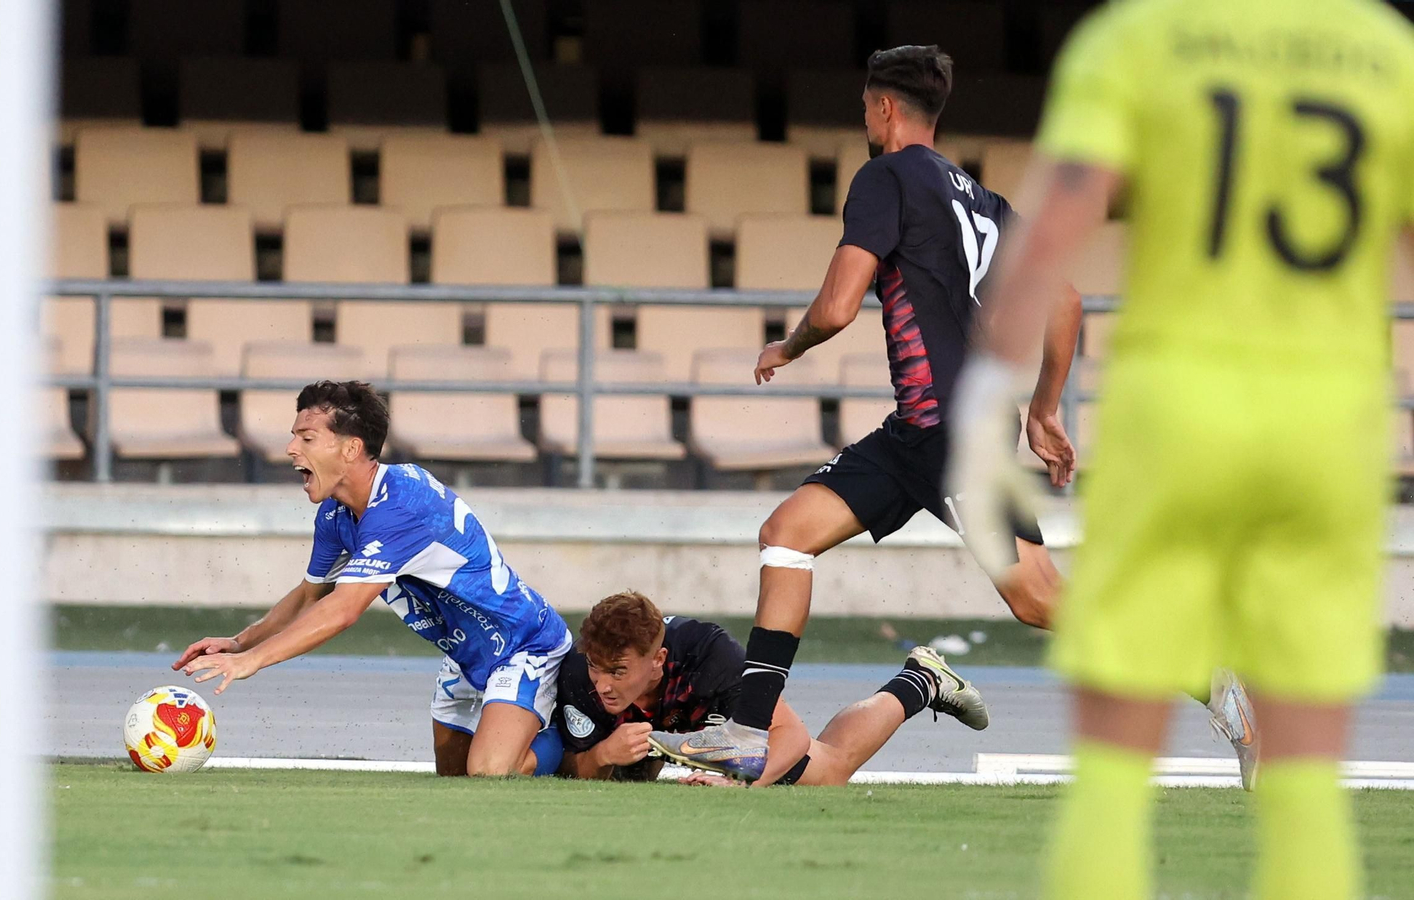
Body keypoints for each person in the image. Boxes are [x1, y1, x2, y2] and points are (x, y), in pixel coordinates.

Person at [649, 44, 1256, 786]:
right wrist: (1044, 408)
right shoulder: (986, 204)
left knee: (1041, 603)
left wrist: (789, 344)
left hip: (954, 437)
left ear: (883, 108)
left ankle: (1213, 674)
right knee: (787, 534)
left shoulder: (884, 177)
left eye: (866, 110)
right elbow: (1064, 299)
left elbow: (839, 307)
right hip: (919, 434)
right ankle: (745, 731)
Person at [944, 0, 1414, 896]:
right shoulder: (1385, 52)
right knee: (1307, 778)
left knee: (1115, 773)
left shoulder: (1137, 38)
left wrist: (985, 404)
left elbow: (1054, 230)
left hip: (1179, 411)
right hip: (1329, 419)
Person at [174, 381, 571, 777]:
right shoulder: (336, 513)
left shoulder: (402, 505)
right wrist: (241, 641)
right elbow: (311, 596)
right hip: (466, 657)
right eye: (294, 436)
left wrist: (251, 662)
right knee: (454, 780)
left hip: (524, 644)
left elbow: (344, 610)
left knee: (488, 772)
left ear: (350, 448)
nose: (291, 449)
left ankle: (573, 743)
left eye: (307, 437)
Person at [554, 591, 986, 786]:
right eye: (596, 667)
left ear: (659, 661)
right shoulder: (578, 673)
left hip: (716, 720)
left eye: (617, 671)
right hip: (671, 729)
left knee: (827, 772)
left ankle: (922, 680)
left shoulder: (710, 655)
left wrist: (742, 786)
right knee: (624, 778)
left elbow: (792, 736)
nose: (602, 684)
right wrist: (600, 755)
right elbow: (568, 767)